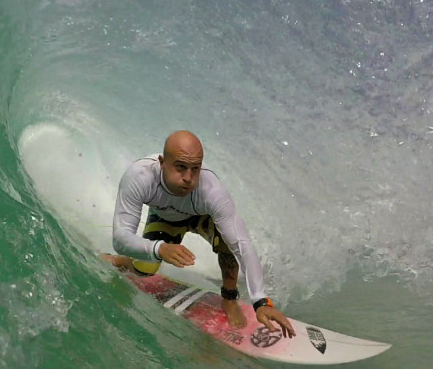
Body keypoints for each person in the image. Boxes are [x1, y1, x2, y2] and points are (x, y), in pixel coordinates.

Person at [101, 130, 295, 338]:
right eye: (181, 167)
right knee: (144, 270)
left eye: (195, 169)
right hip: (166, 219)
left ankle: (229, 298)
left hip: (203, 218)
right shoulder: (139, 177)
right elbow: (120, 238)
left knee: (228, 242)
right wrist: (160, 249)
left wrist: (261, 301)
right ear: (162, 162)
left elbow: (242, 244)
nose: (188, 178)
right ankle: (123, 262)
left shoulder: (211, 190)